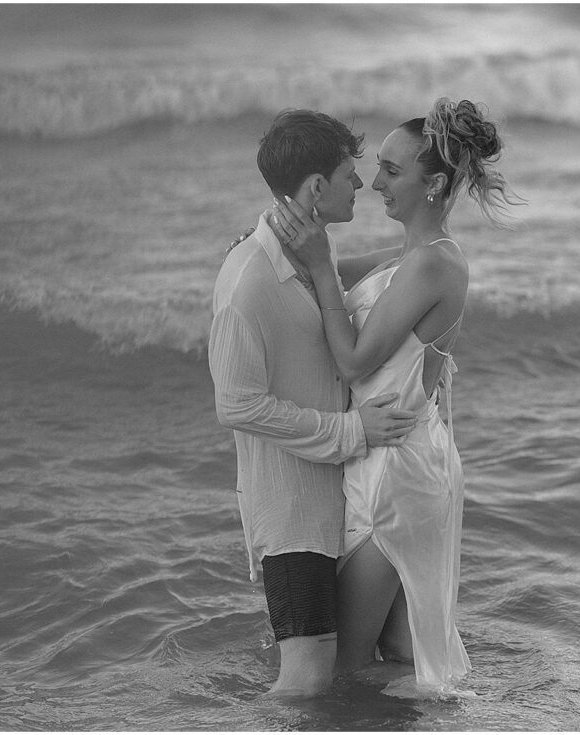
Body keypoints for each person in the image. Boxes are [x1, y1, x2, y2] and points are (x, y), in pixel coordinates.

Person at [270, 98, 522, 695]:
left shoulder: (433, 267)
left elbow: (355, 359)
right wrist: (271, 248)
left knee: (348, 662)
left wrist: (322, 268)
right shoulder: (415, 256)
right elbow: (318, 270)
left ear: (432, 184)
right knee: (400, 648)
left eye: (390, 170)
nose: (372, 181)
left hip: (395, 475)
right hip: (390, 458)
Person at [208, 109, 420, 698]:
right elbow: (237, 404)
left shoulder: (299, 256)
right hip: (292, 515)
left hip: (333, 500)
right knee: (305, 677)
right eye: (351, 175)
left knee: (366, 662)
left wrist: (428, 245)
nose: (362, 185)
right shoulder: (248, 278)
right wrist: (353, 431)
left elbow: (372, 272)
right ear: (315, 188)